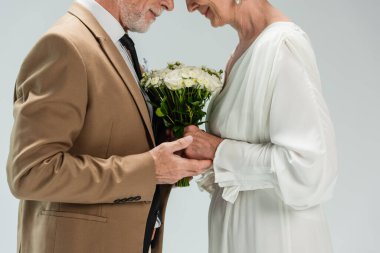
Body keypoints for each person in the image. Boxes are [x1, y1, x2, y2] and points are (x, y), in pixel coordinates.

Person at [6, 0, 212, 253]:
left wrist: (167, 142)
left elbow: (109, 136)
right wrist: (150, 169)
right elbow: (30, 173)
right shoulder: (65, 45)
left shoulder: (115, 44)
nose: (169, 5)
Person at [183, 0, 338, 252]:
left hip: (273, 238)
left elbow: (309, 167)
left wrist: (218, 151)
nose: (190, 6)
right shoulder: (242, 51)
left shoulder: (282, 47)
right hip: (240, 234)